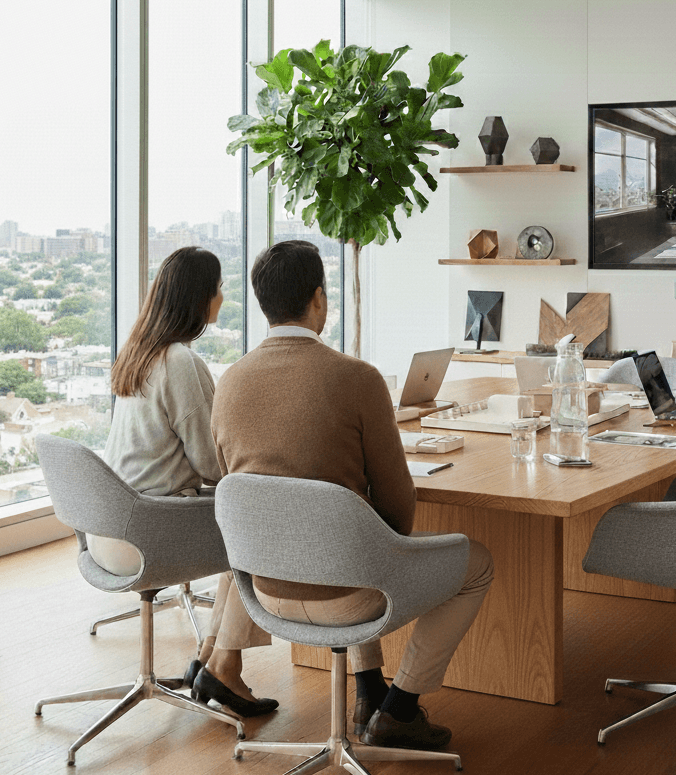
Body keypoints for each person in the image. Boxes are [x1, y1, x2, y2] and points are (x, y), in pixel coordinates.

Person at [211, 240, 494, 751]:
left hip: (265, 591)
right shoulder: (357, 378)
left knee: (351, 540)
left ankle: (370, 688)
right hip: (349, 596)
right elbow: (397, 505)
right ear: (319, 299)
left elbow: (237, 489)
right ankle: (400, 709)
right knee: (475, 563)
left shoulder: (228, 383)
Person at [97, 245, 278, 717]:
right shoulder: (180, 362)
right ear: (202, 298)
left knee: (241, 519)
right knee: (257, 520)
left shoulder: (139, 353)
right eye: (218, 288)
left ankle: (209, 659)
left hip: (107, 529)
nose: (222, 297)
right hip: (149, 533)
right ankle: (224, 667)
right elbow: (211, 461)